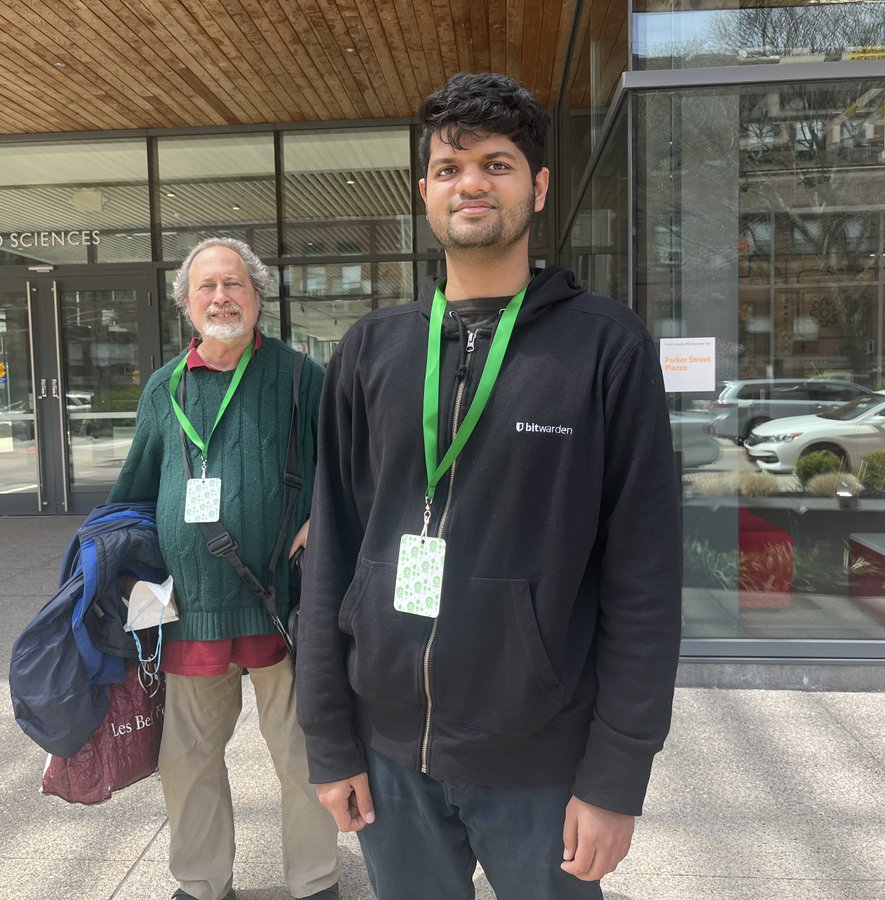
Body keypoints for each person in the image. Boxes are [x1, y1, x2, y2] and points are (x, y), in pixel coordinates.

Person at [295, 73, 683, 899]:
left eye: (498, 165)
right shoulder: (370, 351)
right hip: (389, 754)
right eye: (449, 168)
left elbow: (644, 574)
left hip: (542, 757)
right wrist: (328, 741)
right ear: (426, 192)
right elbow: (331, 547)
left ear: (537, 188)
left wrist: (618, 773)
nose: (471, 183)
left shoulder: (604, 347)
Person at [109, 237, 340, 900]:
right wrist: (133, 590)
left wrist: (319, 518)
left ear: (258, 297)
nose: (220, 297)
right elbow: (134, 494)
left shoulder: (300, 376)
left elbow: (354, 469)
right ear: (186, 304)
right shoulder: (164, 388)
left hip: (281, 602)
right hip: (190, 609)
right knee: (187, 763)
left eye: (233, 284)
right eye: (206, 287)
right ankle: (203, 882)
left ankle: (315, 881)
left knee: (300, 757)